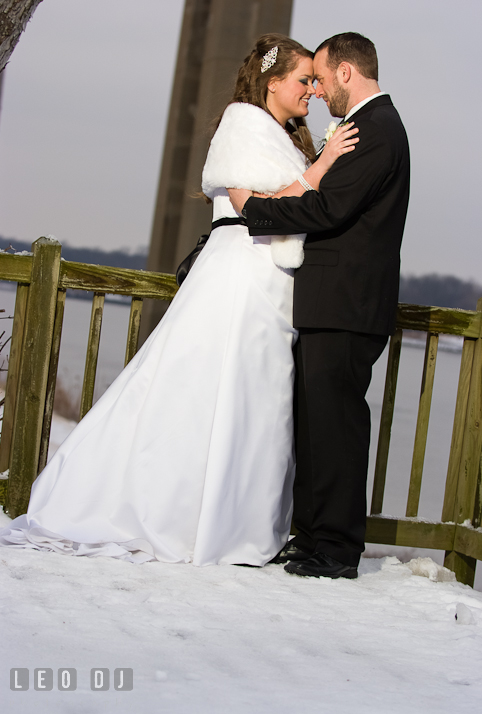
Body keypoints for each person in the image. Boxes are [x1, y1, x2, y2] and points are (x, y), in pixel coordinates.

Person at [0, 35, 357, 566]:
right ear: (272, 82)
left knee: (257, 401)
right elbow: (256, 207)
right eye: (304, 80)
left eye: (313, 80)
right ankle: (190, 517)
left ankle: (243, 523)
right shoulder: (242, 123)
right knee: (213, 391)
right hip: (240, 276)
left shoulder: (281, 135)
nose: (311, 90)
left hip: (271, 284)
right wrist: (324, 162)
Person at [230, 32, 410, 579]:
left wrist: (256, 211)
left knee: (337, 428)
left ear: (347, 73)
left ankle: (335, 548)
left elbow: (329, 210)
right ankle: (309, 536)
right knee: (314, 426)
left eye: (324, 77)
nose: (320, 88)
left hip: (348, 306)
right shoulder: (365, 127)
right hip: (328, 303)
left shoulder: (378, 130)